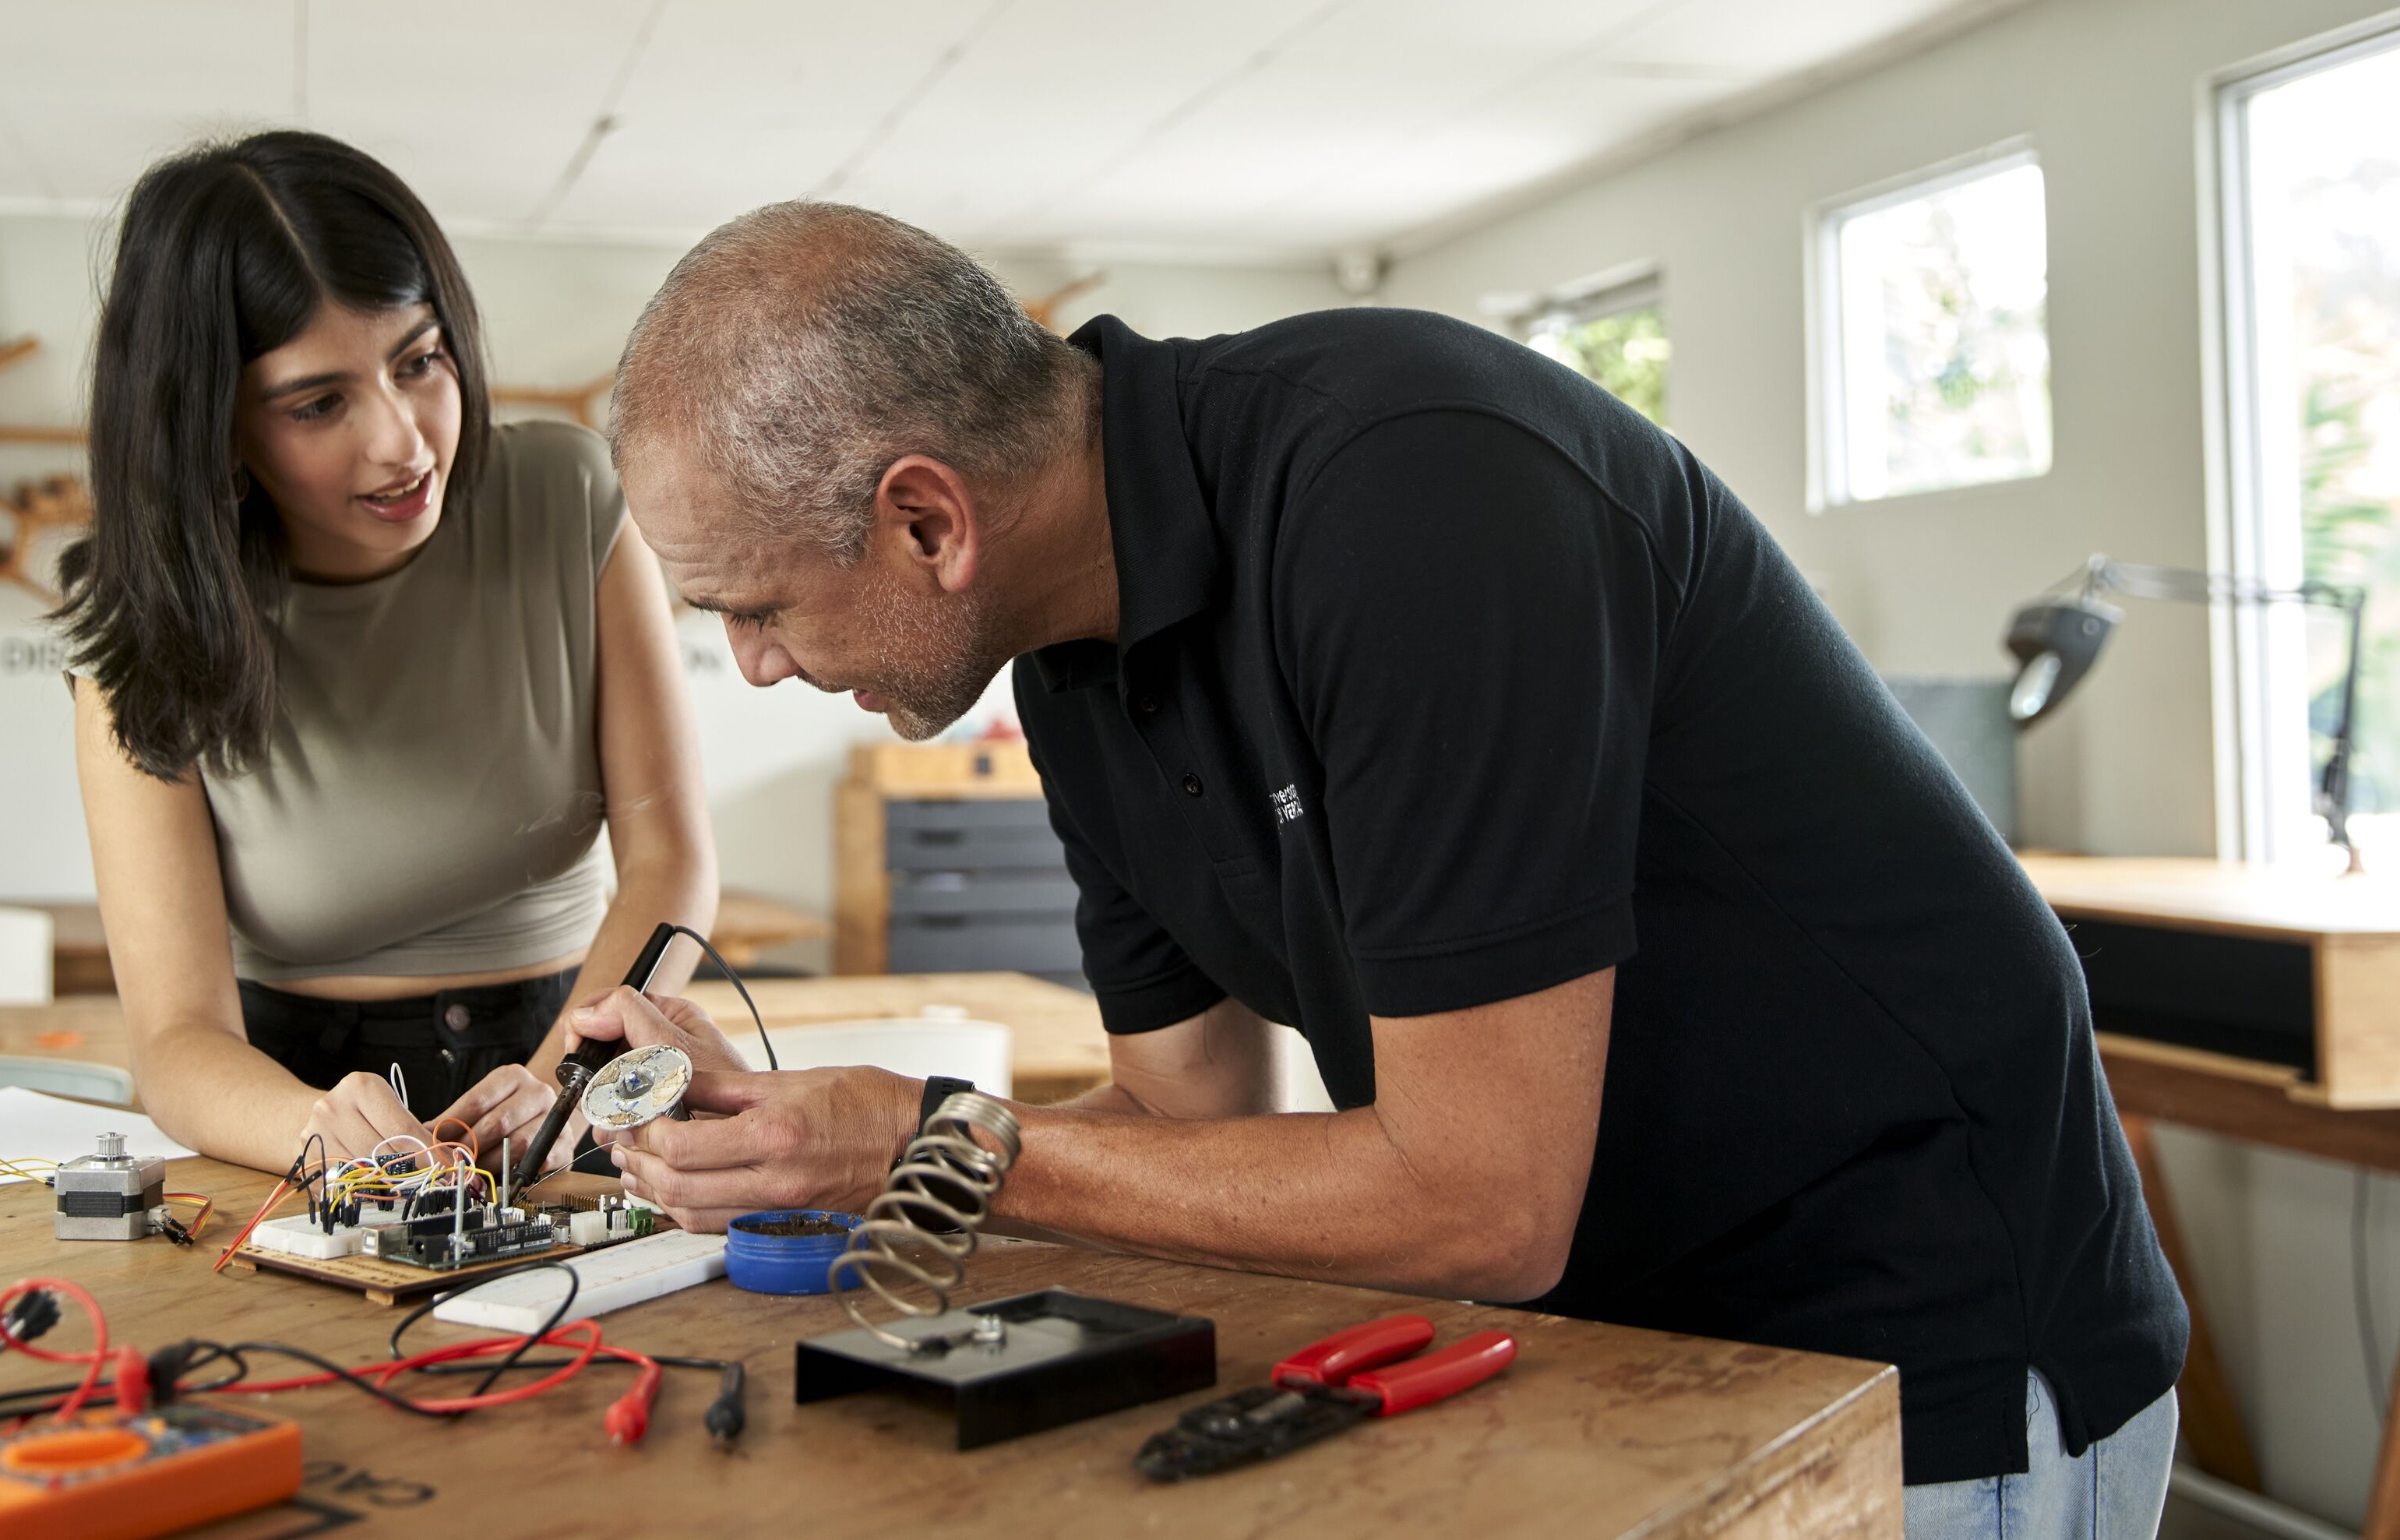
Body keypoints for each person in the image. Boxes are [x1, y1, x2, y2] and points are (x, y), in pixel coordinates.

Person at [518, 202, 2186, 1535]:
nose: (752, 667)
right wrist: (821, 1145)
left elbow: (1483, 1198)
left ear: (928, 522)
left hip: (1917, 1329)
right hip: (1633, 1331)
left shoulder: (1414, 495)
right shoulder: (1072, 672)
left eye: (755, 605)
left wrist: (933, 1138)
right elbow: (1183, 1128)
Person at [57, 131, 715, 1175]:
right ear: (215, 425)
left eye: (420, 361)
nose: (405, 442)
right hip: (302, 1100)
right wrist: (321, 1137)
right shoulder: (138, 629)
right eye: (321, 403)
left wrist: (558, 1091)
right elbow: (179, 1043)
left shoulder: (571, 496)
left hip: (578, 1044)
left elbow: (672, 861)